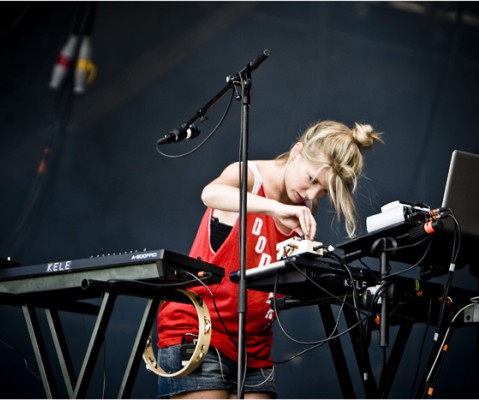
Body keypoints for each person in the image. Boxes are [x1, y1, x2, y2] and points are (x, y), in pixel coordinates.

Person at [156, 120, 383, 398]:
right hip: (200, 332)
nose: (312, 195)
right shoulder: (250, 176)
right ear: (298, 151)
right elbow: (210, 194)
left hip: (254, 347)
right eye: (312, 180)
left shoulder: (304, 204)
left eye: (322, 191)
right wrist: (274, 209)